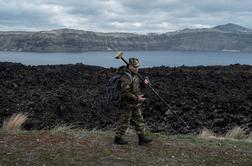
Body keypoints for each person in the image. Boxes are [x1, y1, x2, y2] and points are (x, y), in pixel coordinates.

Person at [114, 58, 152, 145]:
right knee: (124, 122)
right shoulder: (126, 77)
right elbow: (124, 93)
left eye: (138, 66)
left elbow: (138, 85)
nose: (137, 68)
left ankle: (141, 138)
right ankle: (117, 138)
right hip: (126, 104)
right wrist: (137, 98)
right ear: (130, 66)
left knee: (139, 120)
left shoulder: (135, 74)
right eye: (135, 67)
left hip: (135, 103)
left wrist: (145, 83)